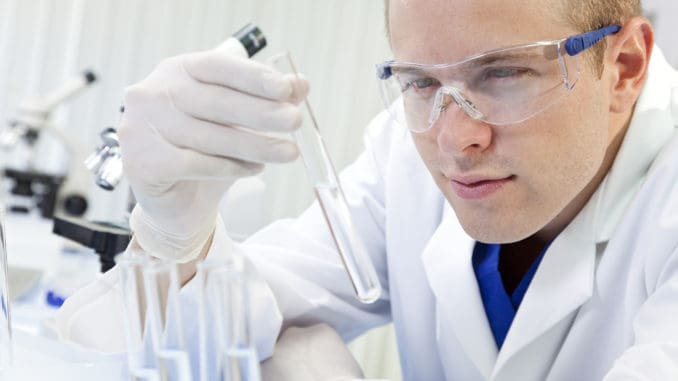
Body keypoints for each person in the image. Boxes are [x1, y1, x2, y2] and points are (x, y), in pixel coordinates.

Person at [56, 0, 678, 379]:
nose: (457, 137)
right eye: (418, 82)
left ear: (623, 67)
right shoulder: (403, 155)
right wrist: (173, 237)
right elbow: (195, 336)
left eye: (504, 73)